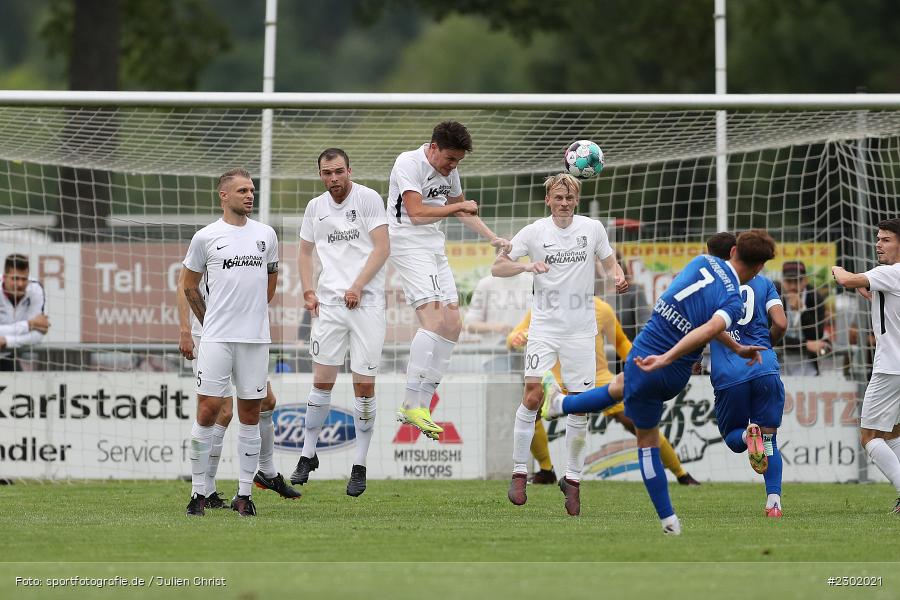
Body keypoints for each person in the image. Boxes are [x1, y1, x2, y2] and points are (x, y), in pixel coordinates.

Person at [542, 231, 774, 533]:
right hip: (675, 375)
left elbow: (703, 329)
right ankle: (560, 403)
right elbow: (707, 328)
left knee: (646, 440)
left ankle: (669, 521)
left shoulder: (701, 261)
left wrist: (665, 356)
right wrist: (738, 346)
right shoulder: (733, 302)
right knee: (619, 387)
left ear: (733, 251)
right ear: (758, 268)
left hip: (650, 355)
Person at [492, 172, 627, 516]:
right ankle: (520, 472)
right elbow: (498, 267)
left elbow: (608, 258)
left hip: (581, 331)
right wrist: (525, 267)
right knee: (533, 396)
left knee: (580, 406)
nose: (564, 203)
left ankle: (573, 480)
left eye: (569, 197)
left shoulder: (592, 228)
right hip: (544, 328)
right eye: (558, 197)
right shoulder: (535, 231)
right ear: (548, 200)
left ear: (576, 200)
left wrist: (617, 272)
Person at [389, 121, 510, 440]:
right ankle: (409, 402)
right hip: (406, 241)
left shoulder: (448, 171)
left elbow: (464, 212)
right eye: (449, 159)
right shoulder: (408, 162)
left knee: (453, 323)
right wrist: (458, 205)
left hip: (433, 243)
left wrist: (492, 237)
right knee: (431, 319)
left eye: (457, 161)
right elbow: (415, 212)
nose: (452, 166)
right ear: (433, 148)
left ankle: (423, 406)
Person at [507, 289, 701, 487]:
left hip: (596, 377)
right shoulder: (544, 307)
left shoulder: (601, 308)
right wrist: (518, 337)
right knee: (531, 408)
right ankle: (546, 470)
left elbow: (620, 341)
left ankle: (681, 473)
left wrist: (637, 363)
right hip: (555, 379)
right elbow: (514, 335)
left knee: (638, 422)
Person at [181, 168, 279, 518]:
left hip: (255, 338)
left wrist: (252, 313)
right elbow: (189, 284)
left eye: (251, 190)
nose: (249, 195)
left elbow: (271, 277)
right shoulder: (206, 237)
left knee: (250, 414)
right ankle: (197, 493)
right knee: (208, 410)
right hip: (217, 339)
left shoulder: (266, 234)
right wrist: (211, 324)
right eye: (242, 190)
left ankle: (243, 494)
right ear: (224, 195)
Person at [292, 148, 390, 497]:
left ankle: (359, 465)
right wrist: (307, 290)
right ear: (320, 174)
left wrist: (358, 286)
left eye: (338, 172)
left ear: (349, 169)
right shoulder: (315, 207)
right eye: (326, 173)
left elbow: (382, 247)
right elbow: (304, 252)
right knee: (321, 382)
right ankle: (307, 454)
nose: (333, 179)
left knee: (363, 386)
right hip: (330, 305)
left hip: (367, 304)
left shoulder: (367, 199)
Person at [177, 270, 299, 510]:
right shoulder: (210, 239)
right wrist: (184, 330)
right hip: (208, 335)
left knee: (266, 401)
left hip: (244, 335)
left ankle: (266, 471)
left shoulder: (255, 241)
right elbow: (184, 282)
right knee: (221, 410)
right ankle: (207, 490)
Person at [705, 232, 788, 517]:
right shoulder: (765, 283)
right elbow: (781, 322)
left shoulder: (713, 286)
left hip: (730, 372)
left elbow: (704, 327)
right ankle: (773, 503)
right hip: (765, 366)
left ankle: (746, 437)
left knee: (732, 436)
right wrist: (765, 349)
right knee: (769, 440)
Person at [832, 218, 900, 514]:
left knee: (869, 437)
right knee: (894, 433)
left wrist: (837, 270)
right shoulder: (889, 277)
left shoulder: (891, 272)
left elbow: (846, 280)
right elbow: (883, 298)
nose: (878, 244)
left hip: (891, 367)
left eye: (886, 239)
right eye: (877, 238)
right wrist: (869, 291)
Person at [465, 270, 533, 371]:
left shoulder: (531, 281)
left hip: (530, 354)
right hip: (496, 353)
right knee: (502, 386)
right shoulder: (486, 284)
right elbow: (470, 325)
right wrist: (497, 328)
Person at [776, 260, 831, 375]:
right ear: (782, 281)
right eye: (788, 281)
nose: (792, 286)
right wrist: (805, 345)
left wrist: (802, 310)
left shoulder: (815, 298)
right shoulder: (774, 296)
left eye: (797, 281)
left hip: (807, 364)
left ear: (805, 280)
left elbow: (816, 335)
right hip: (777, 362)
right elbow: (772, 337)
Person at [0, 254, 50, 371]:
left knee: (21, 387)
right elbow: (34, 327)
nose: (21, 284)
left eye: (24, 279)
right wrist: (29, 324)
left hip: (8, 356)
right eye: (15, 278)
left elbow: (38, 334)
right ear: (5, 277)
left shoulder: (35, 289)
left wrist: (7, 341)